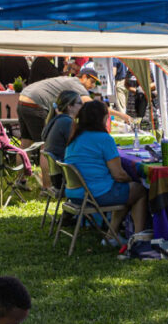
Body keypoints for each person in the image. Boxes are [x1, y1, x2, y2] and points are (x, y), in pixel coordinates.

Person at [63, 100, 149, 242]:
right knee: (138, 190)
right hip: (95, 194)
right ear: (103, 118)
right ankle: (139, 238)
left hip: (75, 193)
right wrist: (134, 178)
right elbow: (119, 175)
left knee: (124, 190)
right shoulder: (104, 139)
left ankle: (111, 234)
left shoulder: (75, 138)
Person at [17, 67, 106, 148]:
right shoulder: (77, 85)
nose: (93, 86)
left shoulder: (68, 80)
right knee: (44, 144)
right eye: (92, 82)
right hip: (35, 102)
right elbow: (93, 105)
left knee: (26, 141)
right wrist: (119, 114)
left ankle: (21, 165)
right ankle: (47, 165)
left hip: (23, 99)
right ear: (84, 77)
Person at [40, 90, 82, 189]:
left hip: (58, 176)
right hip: (67, 178)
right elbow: (78, 148)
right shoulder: (66, 122)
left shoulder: (58, 120)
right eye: (79, 103)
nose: (83, 106)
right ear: (69, 106)